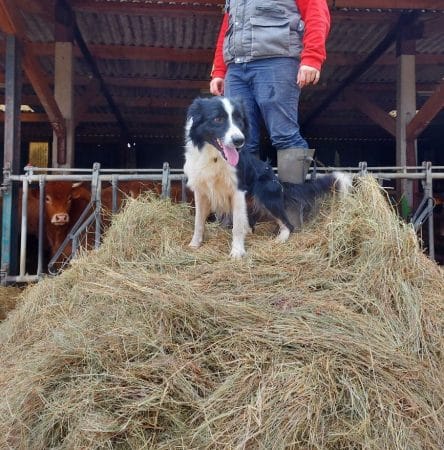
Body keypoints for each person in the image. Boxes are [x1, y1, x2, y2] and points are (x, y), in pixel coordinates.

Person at [209, 0, 330, 184]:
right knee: (239, 138)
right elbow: (228, 26)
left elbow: (317, 12)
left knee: (284, 134)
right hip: (236, 67)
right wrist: (219, 70)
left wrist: (312, 57)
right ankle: (246, 206)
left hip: (277, 59)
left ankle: (292, 203)